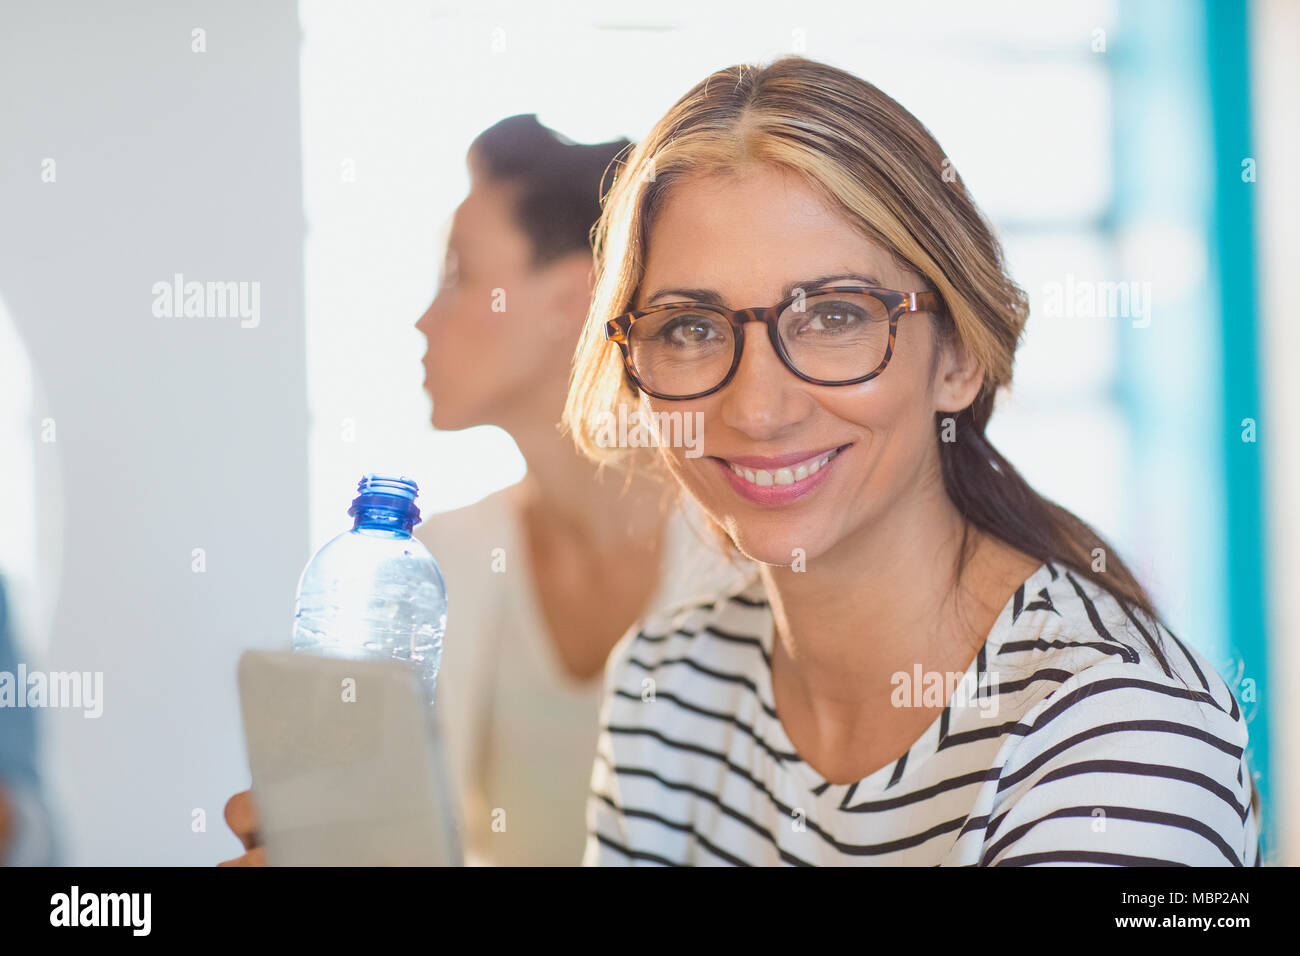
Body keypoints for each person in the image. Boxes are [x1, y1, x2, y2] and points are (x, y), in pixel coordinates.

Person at [565, 56, 1263, 866]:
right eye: (689, 327)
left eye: (833, 316)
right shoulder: (667, 680)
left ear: (959, 357)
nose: (758, 409)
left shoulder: (1123, 729)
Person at [221, 115, 748, 867]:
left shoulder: (746, 555)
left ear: (575, 300)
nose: (422, 320)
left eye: (458, 276)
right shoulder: (445, 559)